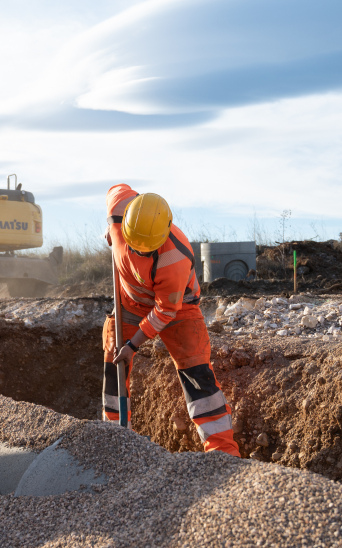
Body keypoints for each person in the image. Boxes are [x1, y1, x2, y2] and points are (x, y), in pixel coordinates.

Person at [103, 184, 240, 457]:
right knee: (112, 364)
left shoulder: (175, 256)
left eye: (147, 250)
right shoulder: (119, 210)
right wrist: (110, 230)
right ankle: (114, 442)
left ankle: (222, 453)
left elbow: (165, 311)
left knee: (196, 372)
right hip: (129, 304)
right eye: (134, 246)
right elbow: (116, 189)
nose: (140, 253)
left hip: (179, 309)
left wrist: (133, 345)